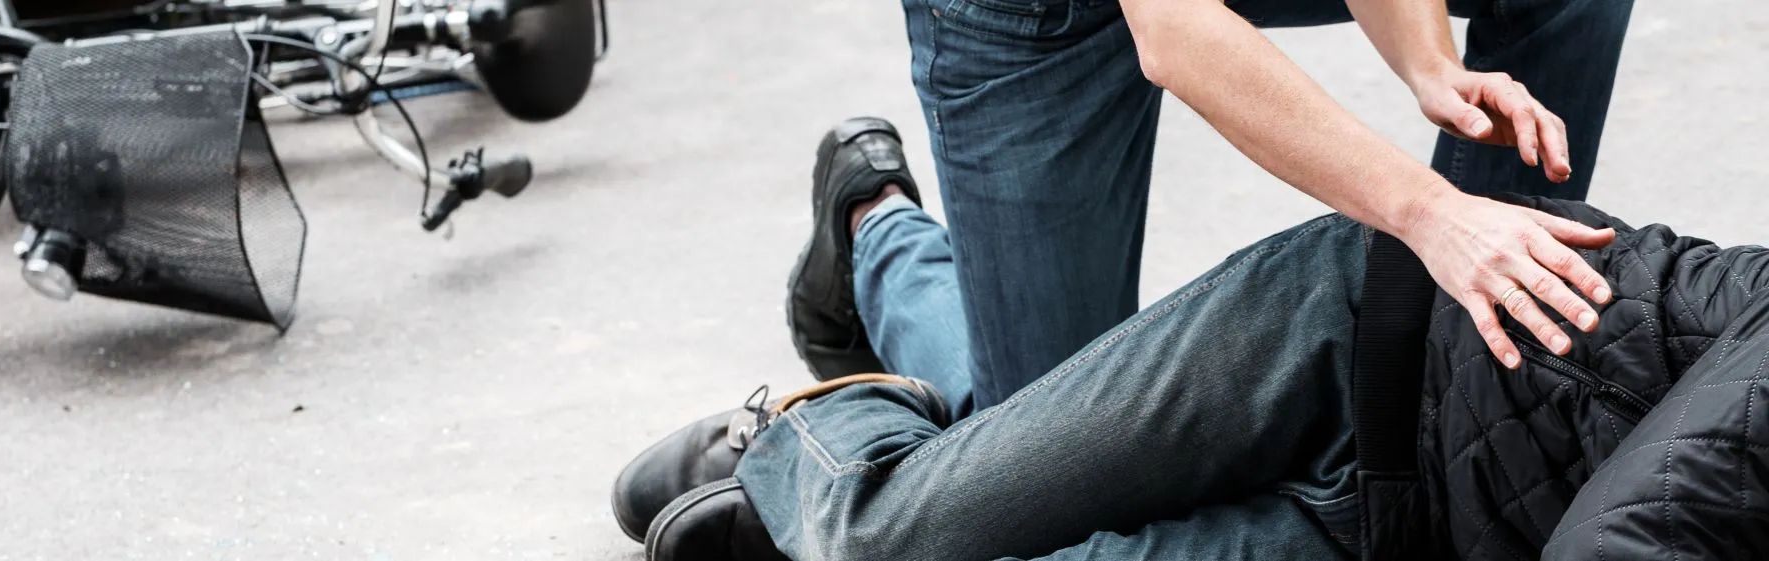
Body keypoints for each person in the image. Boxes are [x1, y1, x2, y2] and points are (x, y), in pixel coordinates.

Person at [614, 119, 1769, 560]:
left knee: (999, 508)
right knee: (886, 532)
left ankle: (879, 246)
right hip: (1359, 341)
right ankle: (810, 423)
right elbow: (1650, 526)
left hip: (1396, 534)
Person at [787, 0, 1638, 414]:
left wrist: (1429, 64)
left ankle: (1458, 371)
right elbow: (1177, 29)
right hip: (1022, 16)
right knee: (1037, 460)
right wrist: (1429, 211)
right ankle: (877, 230)